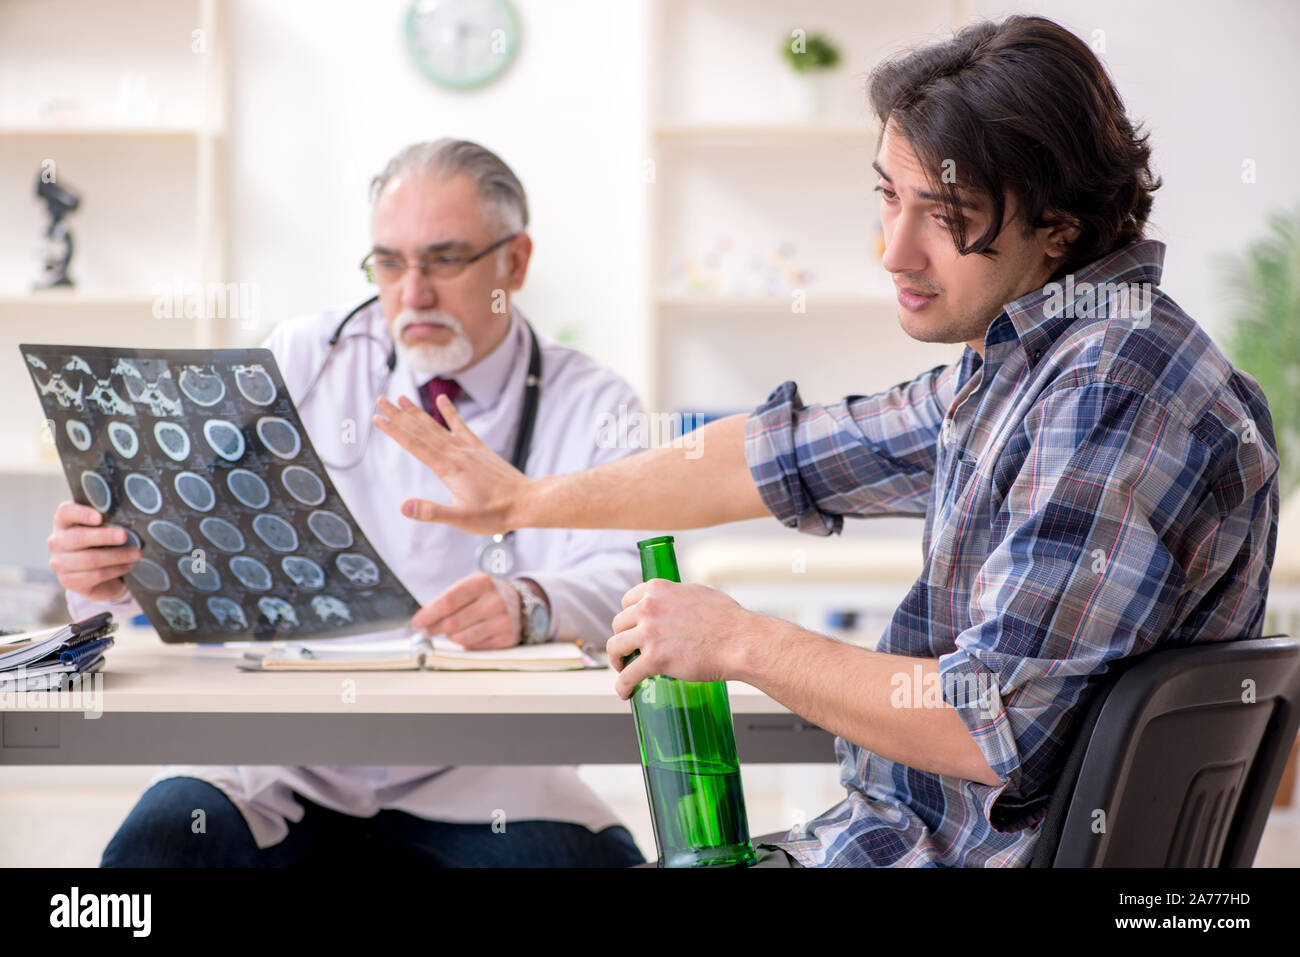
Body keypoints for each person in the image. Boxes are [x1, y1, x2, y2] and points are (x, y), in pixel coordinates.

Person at [373, 17, 1281, 867]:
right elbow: (777, 457)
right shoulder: (1032, 362)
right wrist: (531, 501)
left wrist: (741, 641)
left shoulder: (1111, 386)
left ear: (1059, 226)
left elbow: (983, 722)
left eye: (944, 214)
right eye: (889, 198)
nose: (894, 250)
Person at [47, 138, 648, 867]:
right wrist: (104, 571)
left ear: (514, 262)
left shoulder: (593, 402)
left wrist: (533, 602)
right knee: (156, 852)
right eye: (389, 263)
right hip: (285, 763)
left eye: (445, 259)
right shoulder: (305, 357)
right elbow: (175, 535)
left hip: (489, 772)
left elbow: (632, 578)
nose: (412, 292)